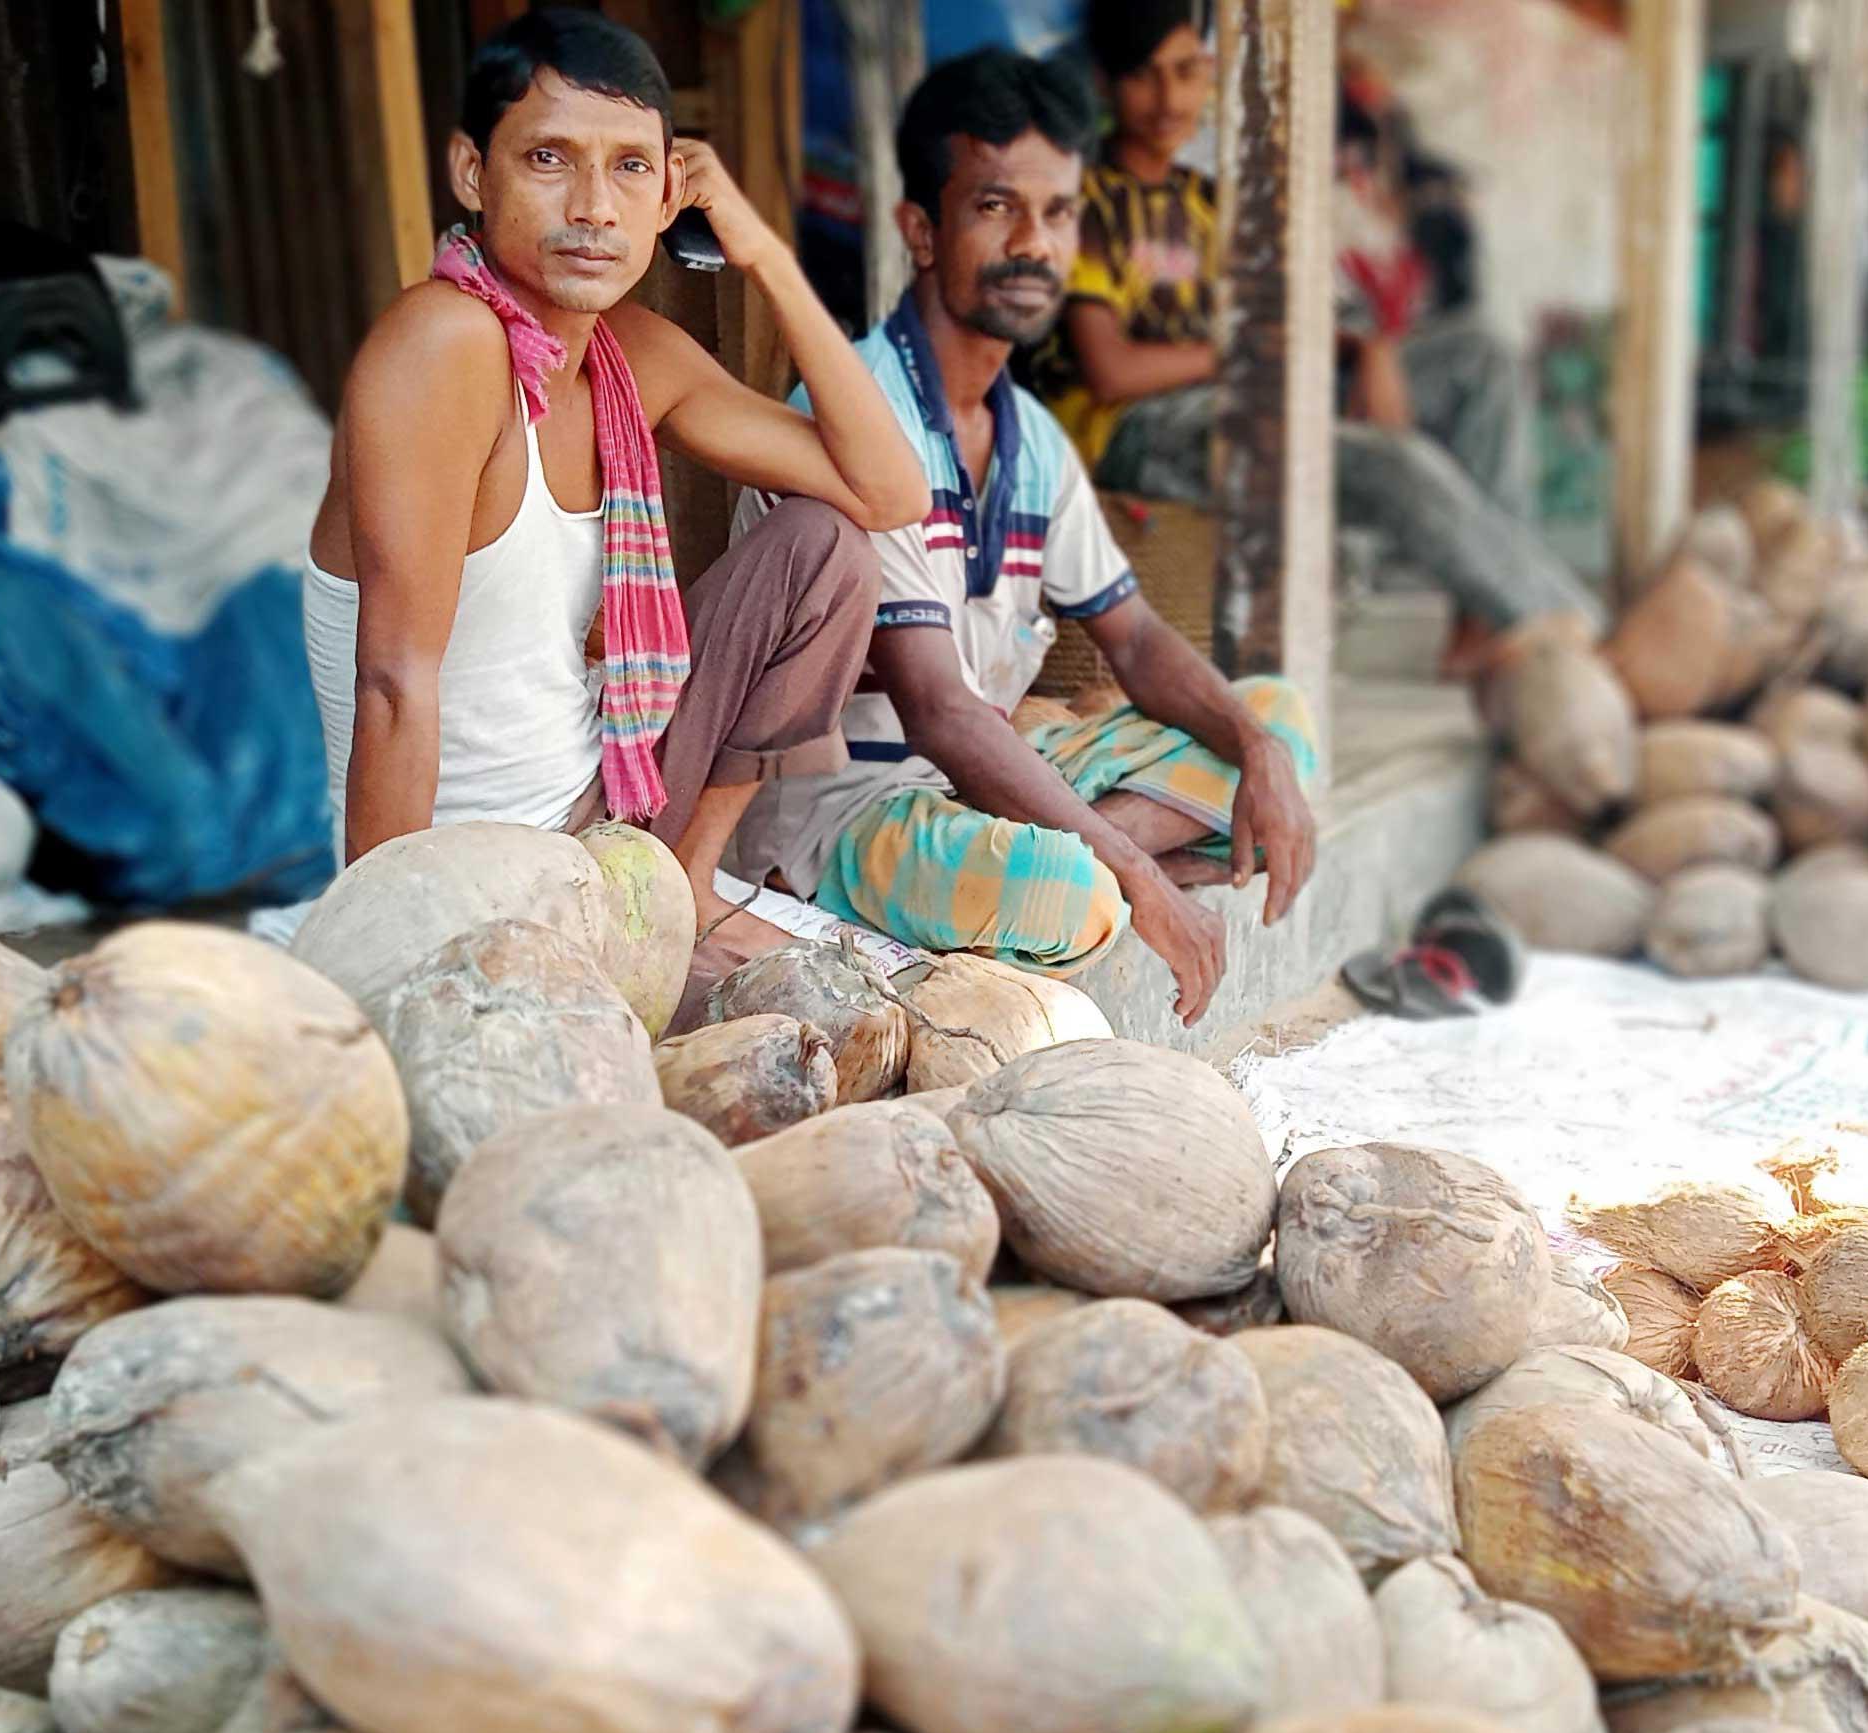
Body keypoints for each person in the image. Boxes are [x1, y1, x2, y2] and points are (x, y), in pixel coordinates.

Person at [303, 7, 928, 987]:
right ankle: (652, 926)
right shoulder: (441, 350)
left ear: (673, 189)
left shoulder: (632, 355)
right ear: (474, 174)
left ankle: (684, 888)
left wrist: (764, 254)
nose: (595, 206)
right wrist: (392, 980)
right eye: (550, 159)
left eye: (631, 167)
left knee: (826, 548)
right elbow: (392, 689)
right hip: (472, 882)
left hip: (610, 819)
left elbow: (885, 492)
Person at [730, 48, 1321, 1027]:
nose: (1033, 243)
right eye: (996, 207)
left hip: (990, 791)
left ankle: (1092, 852)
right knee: (1070, 890)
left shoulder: (1030, 436)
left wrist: (1255, 750)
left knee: (1276, 721)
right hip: (848, 817)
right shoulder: (865, 408)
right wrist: (1129, 865)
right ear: (921, 230)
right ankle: (1110, 864)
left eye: (1055, 214)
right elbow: (936, 713)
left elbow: (1132, 638)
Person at [1033, 2, 1600, 671]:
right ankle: (1567, 625)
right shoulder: (1084, 200)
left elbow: (1293, 314)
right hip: (1137, 431)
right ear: (1104, 83)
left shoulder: (1212, 202)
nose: (1169, 98)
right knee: (1392, 462)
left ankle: (1484, 618)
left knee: (1480, 356)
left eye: (1187, 72)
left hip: (1239, 392)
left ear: (1210, 74)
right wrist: (1245, 352)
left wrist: (1369, 350)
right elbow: (1112, 372)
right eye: (1144, 76)